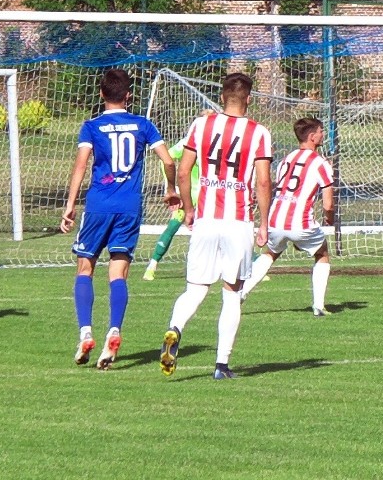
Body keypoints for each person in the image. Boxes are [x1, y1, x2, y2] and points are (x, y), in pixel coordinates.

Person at [60, 69, 178, 370]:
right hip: (129, 208)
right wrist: (170, 188)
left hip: (99, 205)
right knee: (118, 272)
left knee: (85, 266)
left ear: (101, 94)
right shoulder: (143, 125)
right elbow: (167, 160)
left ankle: (86, 332)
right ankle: (114, 329)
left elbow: (81, 165)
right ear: (129, 95)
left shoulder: (91, 127)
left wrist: (71, 205)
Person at [159, 72, 272, 380]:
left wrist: (189, 208)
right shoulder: (259, 132)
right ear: (249, 99)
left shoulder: (201, 125)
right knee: (232, 293)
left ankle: (175, 328)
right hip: (238, 222)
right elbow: (263, 181)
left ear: (222, 97)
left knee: (195, 289)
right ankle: (222, 364)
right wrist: (264, 223)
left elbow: (183, 172)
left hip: (206, 218)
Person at [240, 117, 335, 316]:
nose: (322, 134)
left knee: (270, 254)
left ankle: (242, 292)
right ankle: (318, 305)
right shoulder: (320, 163)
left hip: (276, 218)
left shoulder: (286, 159)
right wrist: (329, 218)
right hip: (300, 222)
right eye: (320, 131)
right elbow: (328, 204)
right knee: (322, 254)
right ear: (312, 137)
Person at [142, 109, 217, 281]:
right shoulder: (188, 142)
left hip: (209, 195)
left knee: (224, 228)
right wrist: (171, 188)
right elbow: (166, 159)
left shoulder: (217, 143)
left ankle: (255, 264)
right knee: (173, 226)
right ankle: (152, 265)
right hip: (190, 196)